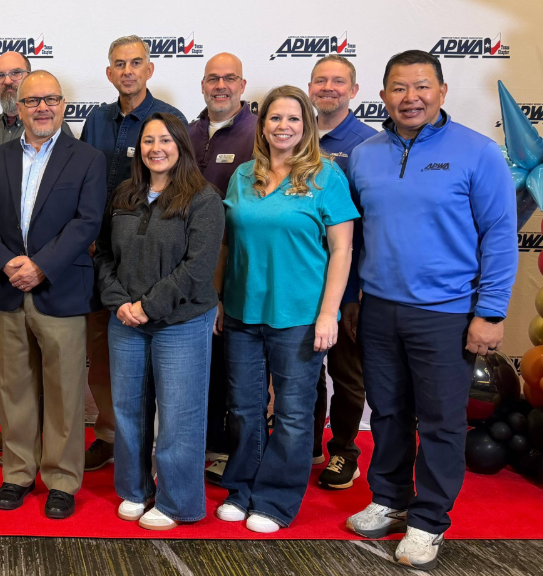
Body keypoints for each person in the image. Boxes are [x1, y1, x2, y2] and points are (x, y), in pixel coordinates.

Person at [344, 50, 516, 570]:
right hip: (378, 308)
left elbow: (501, 237)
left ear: (442, 92)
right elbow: (351, 238)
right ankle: (390, 498)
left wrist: (490, 312)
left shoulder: (478, 153)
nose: (410, 98)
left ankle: (428, 520)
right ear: (383, 97)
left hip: (447, 313)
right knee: (390, 411)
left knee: (440, 421)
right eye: (398, 88)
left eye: (421, 87)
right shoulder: (365, 154)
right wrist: (352, 299)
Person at [217, 85, 357, 534]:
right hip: (241, 312)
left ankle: (276, 500)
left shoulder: (326, 176)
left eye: (293, 119)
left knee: (295, 414)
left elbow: (342, 251)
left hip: (300, 316)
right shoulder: (243, 175)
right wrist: (219, 298)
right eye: (275, 118)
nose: (283, 126)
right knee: (243, 408)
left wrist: (328, 313)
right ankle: (242, 488)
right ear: (263, 125)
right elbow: (226, 243)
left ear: (307, 125)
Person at [0, 70, 107, 519]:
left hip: (61, 291)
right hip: (6, 289)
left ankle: (62, 480)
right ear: (18, 107)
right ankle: (17, 474)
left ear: (63, 105)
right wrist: (9, 263)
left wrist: (41, 266)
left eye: (50, 100)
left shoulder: (87, 158)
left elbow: (87, 222)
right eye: (32, 101)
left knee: (66, 392)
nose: (41, 108)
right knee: (15, 389)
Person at [96, 112, 224, 531]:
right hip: (125, 319)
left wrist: (149, 306)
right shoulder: (125, 194)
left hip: (181, 321)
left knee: (178, 415)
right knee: (128, 409)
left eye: (165, 140)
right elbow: (105, 257)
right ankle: (135, 490)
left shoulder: (202, 198)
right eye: (149, 141)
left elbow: (198, 267)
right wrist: (120, 302)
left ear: (181, 145)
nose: (156, 148)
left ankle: (177, 501)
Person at [79, 35, 188, 472]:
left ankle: (159, 445)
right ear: (109, 72)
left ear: (150, 69)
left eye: (136, 62)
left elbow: (185, 189)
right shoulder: (96, 120)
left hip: (153, 258)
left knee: (159, 355)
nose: (127, 71)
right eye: (119, 64)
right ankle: (110, 436)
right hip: (98, 258)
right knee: (103, 353)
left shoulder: (169, 119)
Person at [0, 51, 72, 456]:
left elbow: (69, 211)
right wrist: (3, 260)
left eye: (16, 74)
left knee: (51, 366)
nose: (8, 82)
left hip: (48, 275)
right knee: (11, 364)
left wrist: (39, 265)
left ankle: (48, 445)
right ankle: (18, 438)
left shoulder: (65, 138)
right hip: (1, 272)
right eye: (1, 76)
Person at [306, 54, 378, 490]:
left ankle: (345, 452)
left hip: (351, 287)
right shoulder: (294, 136)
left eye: (338, 81)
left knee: (347, 376)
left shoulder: (370, 145)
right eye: (320, 81)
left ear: (354, 90)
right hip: (303, 282)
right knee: (305, 372)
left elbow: (376, 224)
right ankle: (308, 443)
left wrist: (359, 289)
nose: (327, 87)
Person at [187, 52, 257, 485]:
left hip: (240, 263)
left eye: (229, 78)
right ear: (202, 84)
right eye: (213, 78)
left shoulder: (258, 131)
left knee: (241, 368)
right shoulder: (189, 131)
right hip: (193, 268)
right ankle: (211, 447)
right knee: (204, 364)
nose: (220, 85)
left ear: (242, 85)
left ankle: (242, 455)